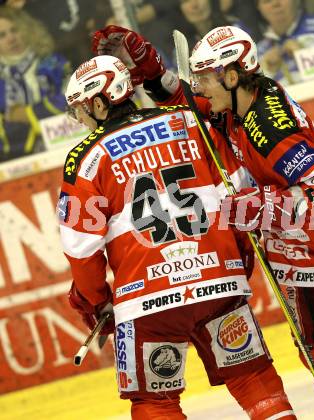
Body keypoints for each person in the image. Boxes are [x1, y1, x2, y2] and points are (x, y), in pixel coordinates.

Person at [92, 24, 314, 419]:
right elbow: (190, 106)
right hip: (294, 256)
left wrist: (265, 203)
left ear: (232, 76)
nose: (199, 87)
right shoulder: (238, 105)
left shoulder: (270, 127)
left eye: (205, 78)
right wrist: (151, 72)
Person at [58, 54, 295, 419]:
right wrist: (239, 260)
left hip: (146, 300)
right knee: (252, 375)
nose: (80, 121)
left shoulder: (85, 158)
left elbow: (80, 248)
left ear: (101, 102)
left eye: (81, 111)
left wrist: (95, 301)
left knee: (154, 402)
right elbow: (238, 193)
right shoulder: (190, 121)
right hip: (219, 281)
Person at [0, 6, 69, 161]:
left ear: (27, 30)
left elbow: (74, 100)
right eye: (2, 35)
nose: (11, 38)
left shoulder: (55, 64)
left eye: (15, 30)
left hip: (67, 144)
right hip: (17, 159)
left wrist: (29, 114)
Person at [256, 0, 314, 85]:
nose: (275, 4)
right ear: (259, 8)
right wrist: (268, 72)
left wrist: (306, 58)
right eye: (267, 1)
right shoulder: (257, 53)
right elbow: (252, 99)